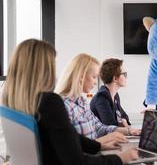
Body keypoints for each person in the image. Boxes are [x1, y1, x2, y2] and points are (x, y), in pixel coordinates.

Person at [1, 39, 138, 165]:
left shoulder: (15, 104)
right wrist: (120, 158)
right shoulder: (50, 102)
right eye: (52, 66)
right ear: (43, 70)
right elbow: (77, 162)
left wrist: (98, 145)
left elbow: (67, 138)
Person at [55, 54, 140, 140]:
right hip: (90, 152)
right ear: (81, 76)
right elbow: (72, 143)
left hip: (95, 150)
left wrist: (129, 131)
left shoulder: (82, 102)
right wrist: (101, 144)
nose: (96, 83)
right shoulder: (63, 105)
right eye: (94, 77)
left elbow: (99, 128)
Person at [90, 58, 131, 127]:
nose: (126, 77)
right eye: (124, 74)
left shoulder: (115, 96)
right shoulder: (101, 97)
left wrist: (123, 121)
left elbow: (125, 117)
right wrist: (121, 122)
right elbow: (110, 125)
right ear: (115, 78)